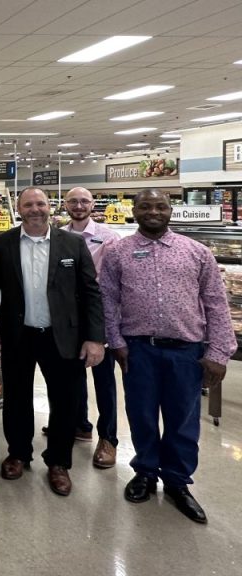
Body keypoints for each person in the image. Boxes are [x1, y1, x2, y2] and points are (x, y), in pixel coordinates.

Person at [100, 189, 235, 524]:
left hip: (187, 351)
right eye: (145, 206)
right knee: (142, 414)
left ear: (170, 210)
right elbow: (108, 300)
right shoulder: (118, 253)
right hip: (139, 348)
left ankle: (178, 481)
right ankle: (145, 471)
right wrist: (115, 341)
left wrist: (219, 351)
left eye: (160, 206)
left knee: (183, 419)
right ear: (134, 211)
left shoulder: (197, 252)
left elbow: (217, 304)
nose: (153, 212)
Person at [0, 187, 105, 497]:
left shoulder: (73, 244)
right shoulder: (3, 242)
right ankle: (19, 453)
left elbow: (91, 293)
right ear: (19, 209)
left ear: (50, 207)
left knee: (65, 401)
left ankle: (59, 462)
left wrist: (95, 338)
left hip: (62, 335)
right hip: (18, 333)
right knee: (17, 397)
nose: (35, 209)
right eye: (29, 204)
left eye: (41, 203)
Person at [61, 187, 121, 468]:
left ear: (92, 204)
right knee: (73, 373)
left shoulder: (109, 237)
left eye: (84, 201)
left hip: (100, 315)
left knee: (104, 377)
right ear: (65, 205)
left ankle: (108, 437)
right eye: (73, 201)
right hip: (70, 316)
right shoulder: (59, 235)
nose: (79, 205)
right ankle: (79, 423)